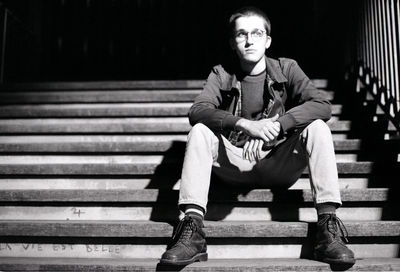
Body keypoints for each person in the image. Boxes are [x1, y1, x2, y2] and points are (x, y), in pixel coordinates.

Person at [160, 6, 355, 266]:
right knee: (199, 131)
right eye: (242, 34)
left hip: (278, 162)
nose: (250, 40)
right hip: (235, 163)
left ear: (268, 40)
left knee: (318, 127)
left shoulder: (287, 69)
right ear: (233, 42)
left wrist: (279, 125)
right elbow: (197, 111)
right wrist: (245, 125)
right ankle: (192, 229)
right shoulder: (221, 73)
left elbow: (322, 106)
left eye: (257, 33)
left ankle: (328, 230)